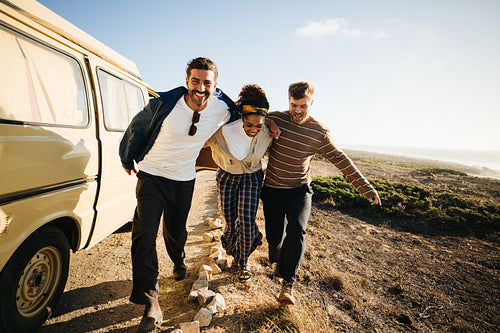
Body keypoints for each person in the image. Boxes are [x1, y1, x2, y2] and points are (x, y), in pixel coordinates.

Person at [119, 57, 241, 333]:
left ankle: (178, 260)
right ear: (187, 81)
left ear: (215, 85)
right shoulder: (164, 104)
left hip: (184, 180)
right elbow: (136, 128)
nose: (200, 88)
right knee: (144, 235)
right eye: (195, 81)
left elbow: (246, 117)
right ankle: (151, 302)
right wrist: (127, 158)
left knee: (175, 231)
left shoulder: (223, 107)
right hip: (151, 176)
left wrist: (271, 125)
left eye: (207, 83)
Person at [260, 81, 382, 305]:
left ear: (311, 103)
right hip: (273, 190)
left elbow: (341, 159)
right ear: (288, 101)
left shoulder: (319, 132)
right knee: (275, 240)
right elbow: (251, 118)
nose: (297, 110)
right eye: (294, 105)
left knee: (297, 230)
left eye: (303, 106)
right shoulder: (275, 118)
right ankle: (278, 261)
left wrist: (366, 188)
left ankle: (288, 284)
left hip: (299, 189)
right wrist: (266, 120)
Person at [205, 84, 273, 282]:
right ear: (242, 117)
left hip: (251, 178)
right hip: (226, 177)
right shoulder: (222, 131)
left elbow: (280, 148)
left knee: (246, 221)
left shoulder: (268, 132)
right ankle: (236, 253)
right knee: (231, 222)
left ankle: (243, 262)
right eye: (249, 125)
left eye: (258, 126)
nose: (254, 130)